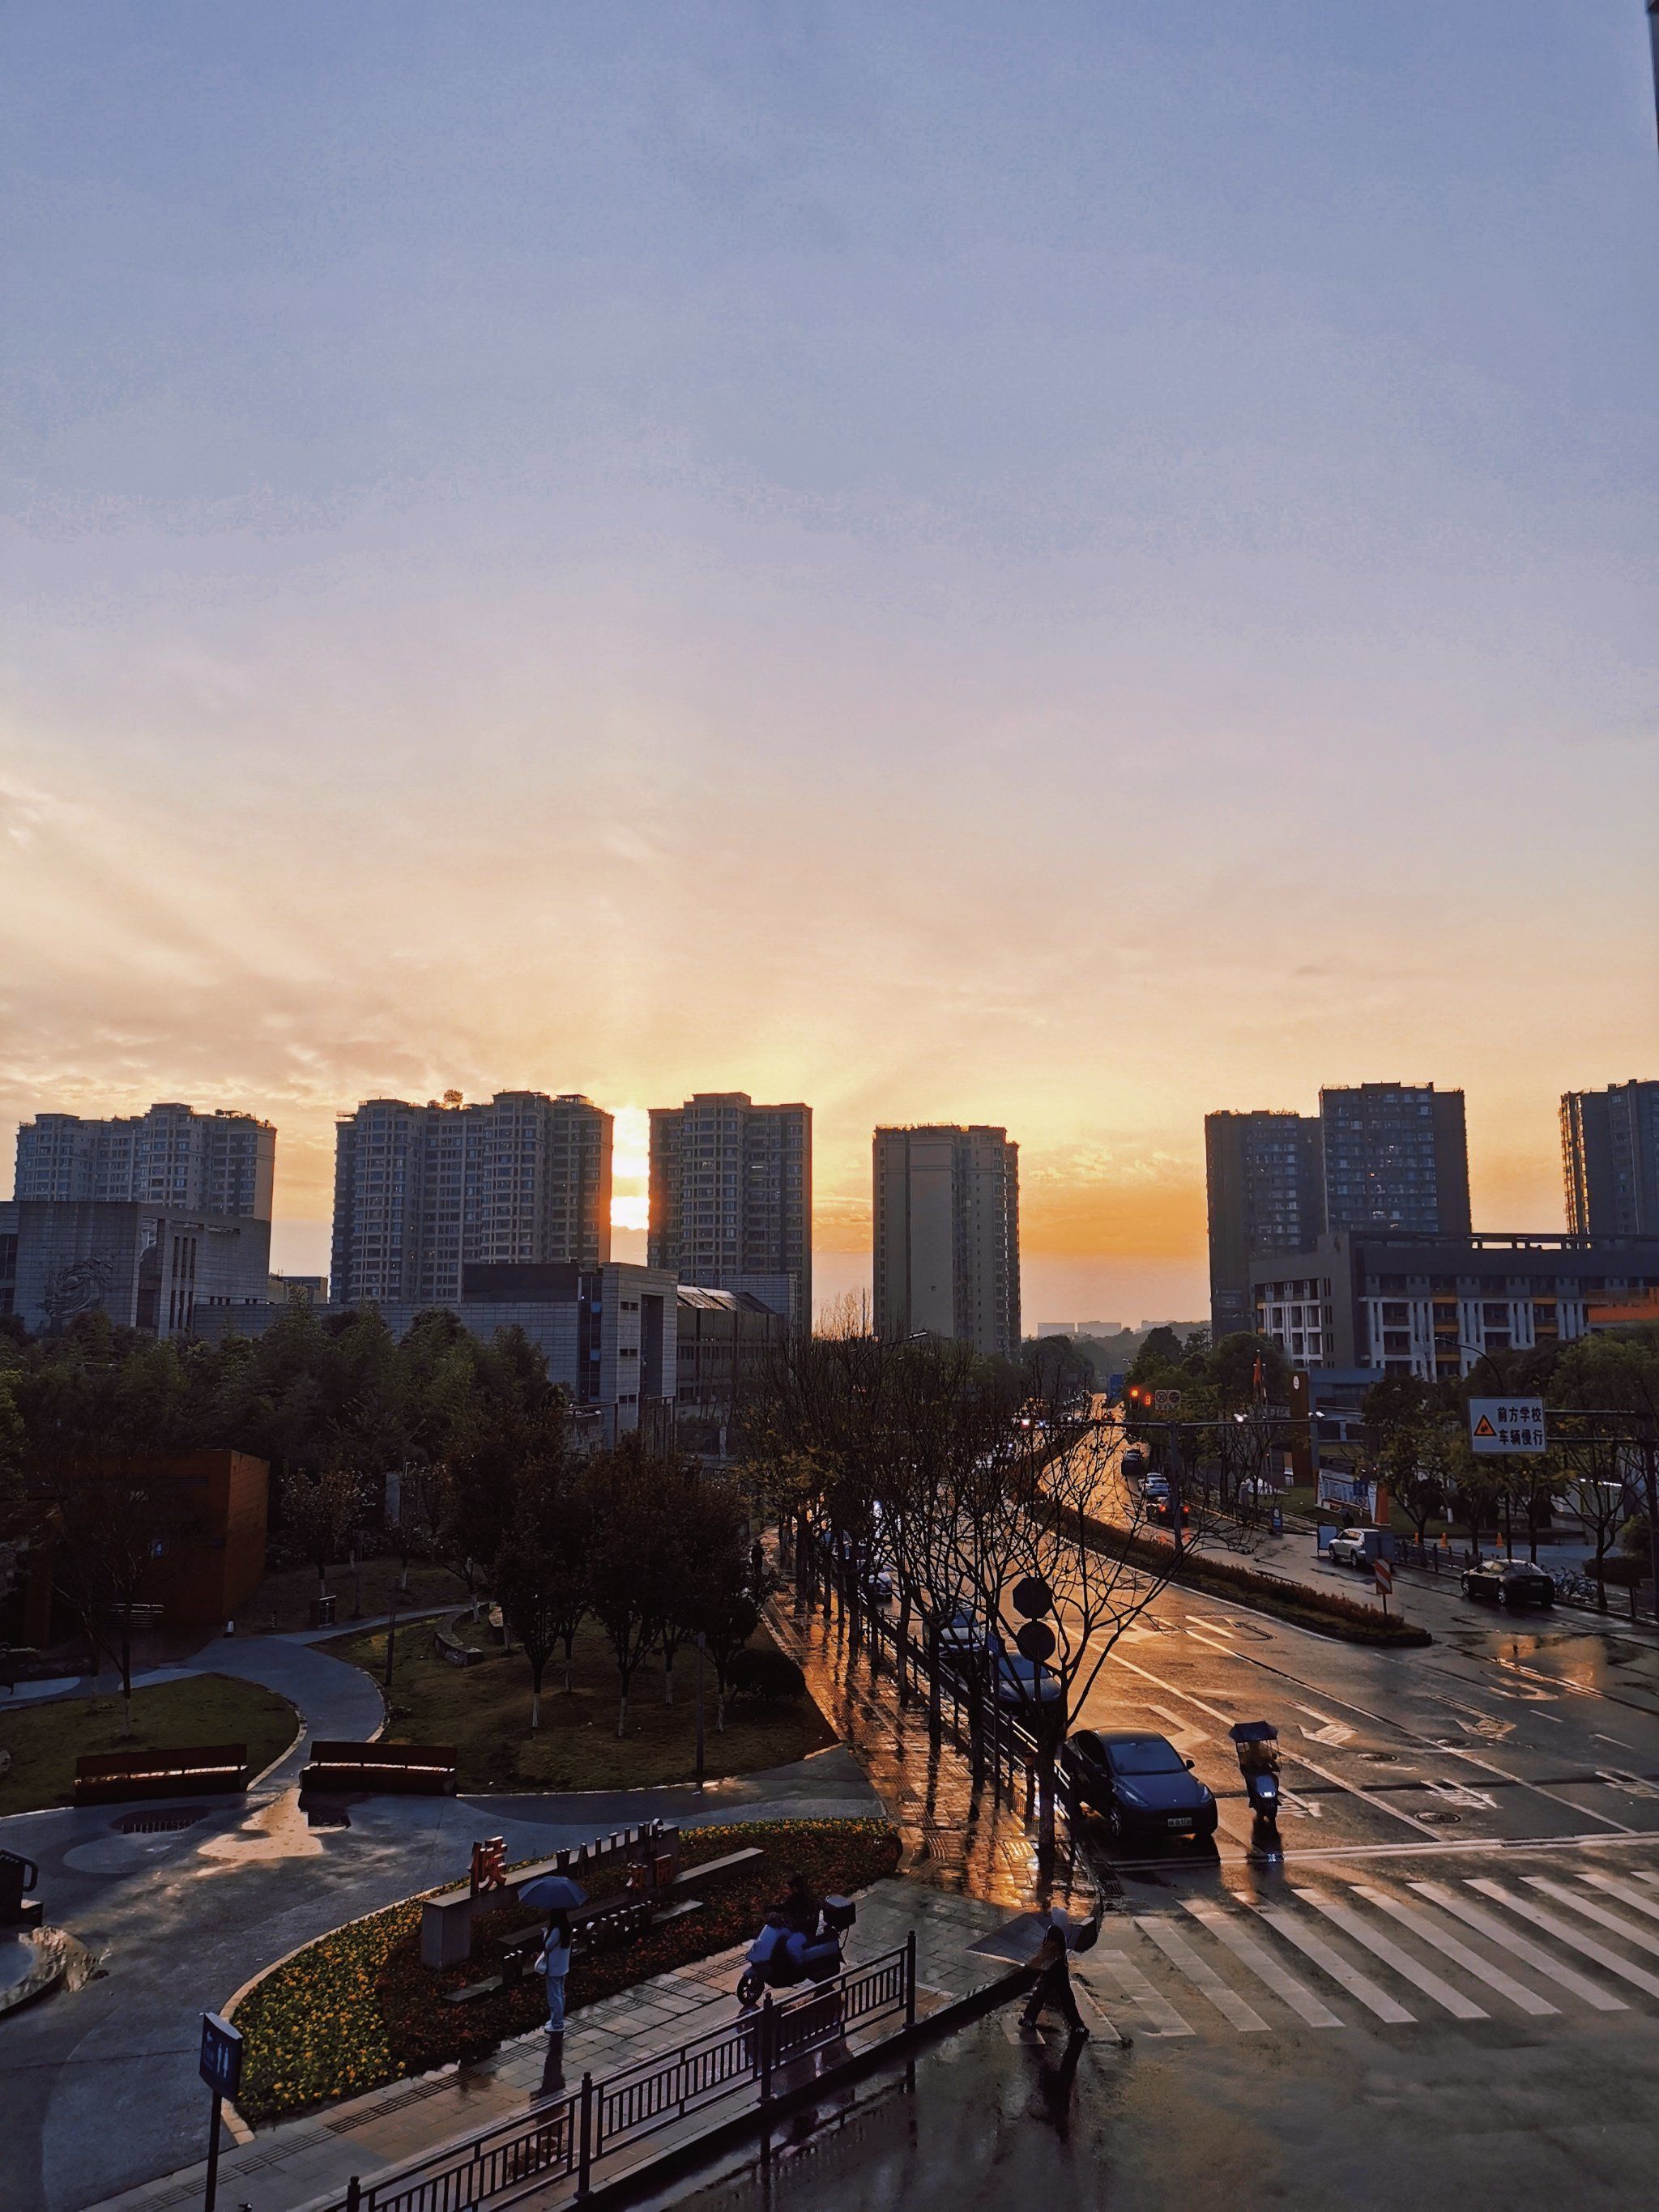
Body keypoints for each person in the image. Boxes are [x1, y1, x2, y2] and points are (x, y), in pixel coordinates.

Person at [1020, 1907, 1090, 2039]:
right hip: (1057, 1970)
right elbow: (1049, 1951)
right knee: (1064, 1998)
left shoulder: (1055, 1931)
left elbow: (1047, 1952)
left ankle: (1028, 2019)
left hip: (1053, 1970)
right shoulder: (1058, 1931)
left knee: (1041, 1995)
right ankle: (1077, 2025)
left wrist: (1033, 1964)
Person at [538, 1912, 573, 2048]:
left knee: (554, 1996)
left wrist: (546, 1934)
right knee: (560, 1993)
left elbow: (548, 1945)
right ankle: (556, 2020)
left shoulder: (557, 1930)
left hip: (554, 1967)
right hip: (563, 1966)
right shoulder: (567, 1928)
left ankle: (557, 2024)